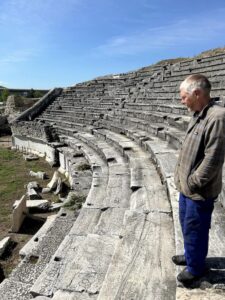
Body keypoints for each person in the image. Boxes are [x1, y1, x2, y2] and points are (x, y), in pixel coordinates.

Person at [173, 74, 225, 284]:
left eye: (184, 96)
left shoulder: (217, 118)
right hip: (186, 188)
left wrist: (193, 182)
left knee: (196, 227)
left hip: (199, 191)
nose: (181, 100)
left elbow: (213, 159)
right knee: (187, 226)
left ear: (197, 94)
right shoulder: (198, 113)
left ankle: (196, 269)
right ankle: (190, 255)